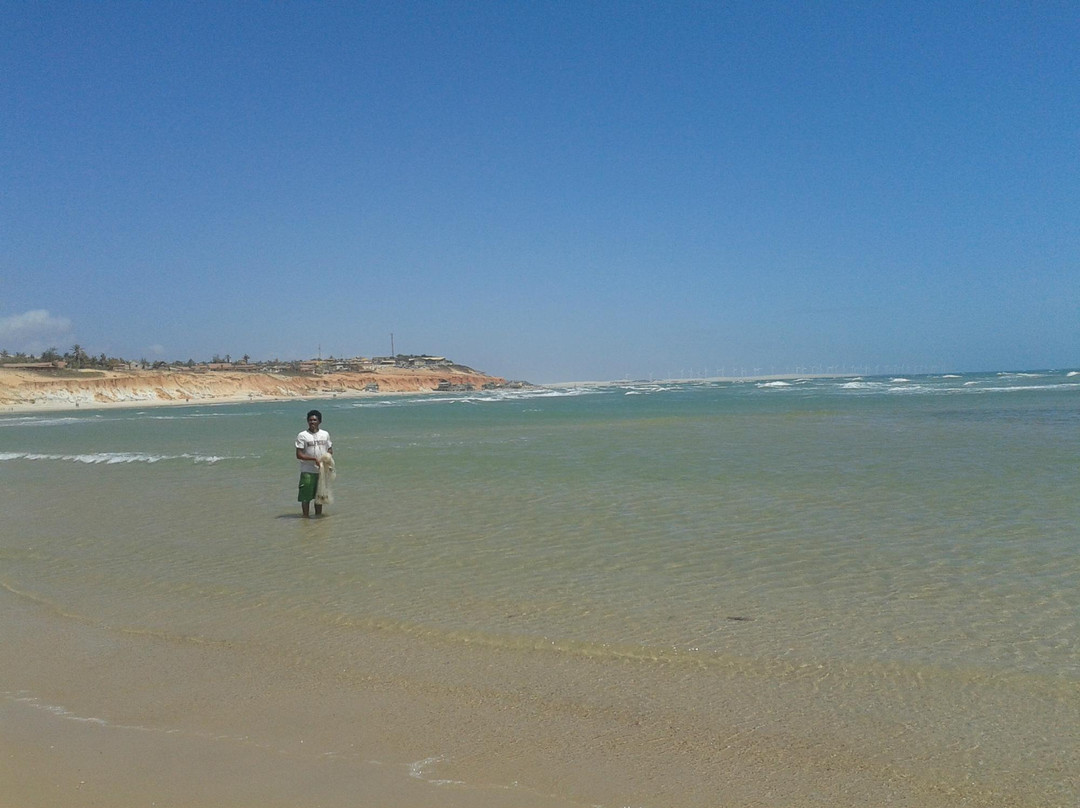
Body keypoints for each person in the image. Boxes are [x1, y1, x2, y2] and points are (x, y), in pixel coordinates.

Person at [295, 409, 333, 517]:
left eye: (315, 420)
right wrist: (314, 459)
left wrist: (327, 458)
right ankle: (305, 518)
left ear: (319, 421)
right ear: (307, 421)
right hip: (307, 471)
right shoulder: (302, 435)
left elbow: (330, 450)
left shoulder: (325, 434)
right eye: (310, 420)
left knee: (319, 496)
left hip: (321, 472)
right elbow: (299, 454)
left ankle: (318, 519)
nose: (312, 422)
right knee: (305, 497)